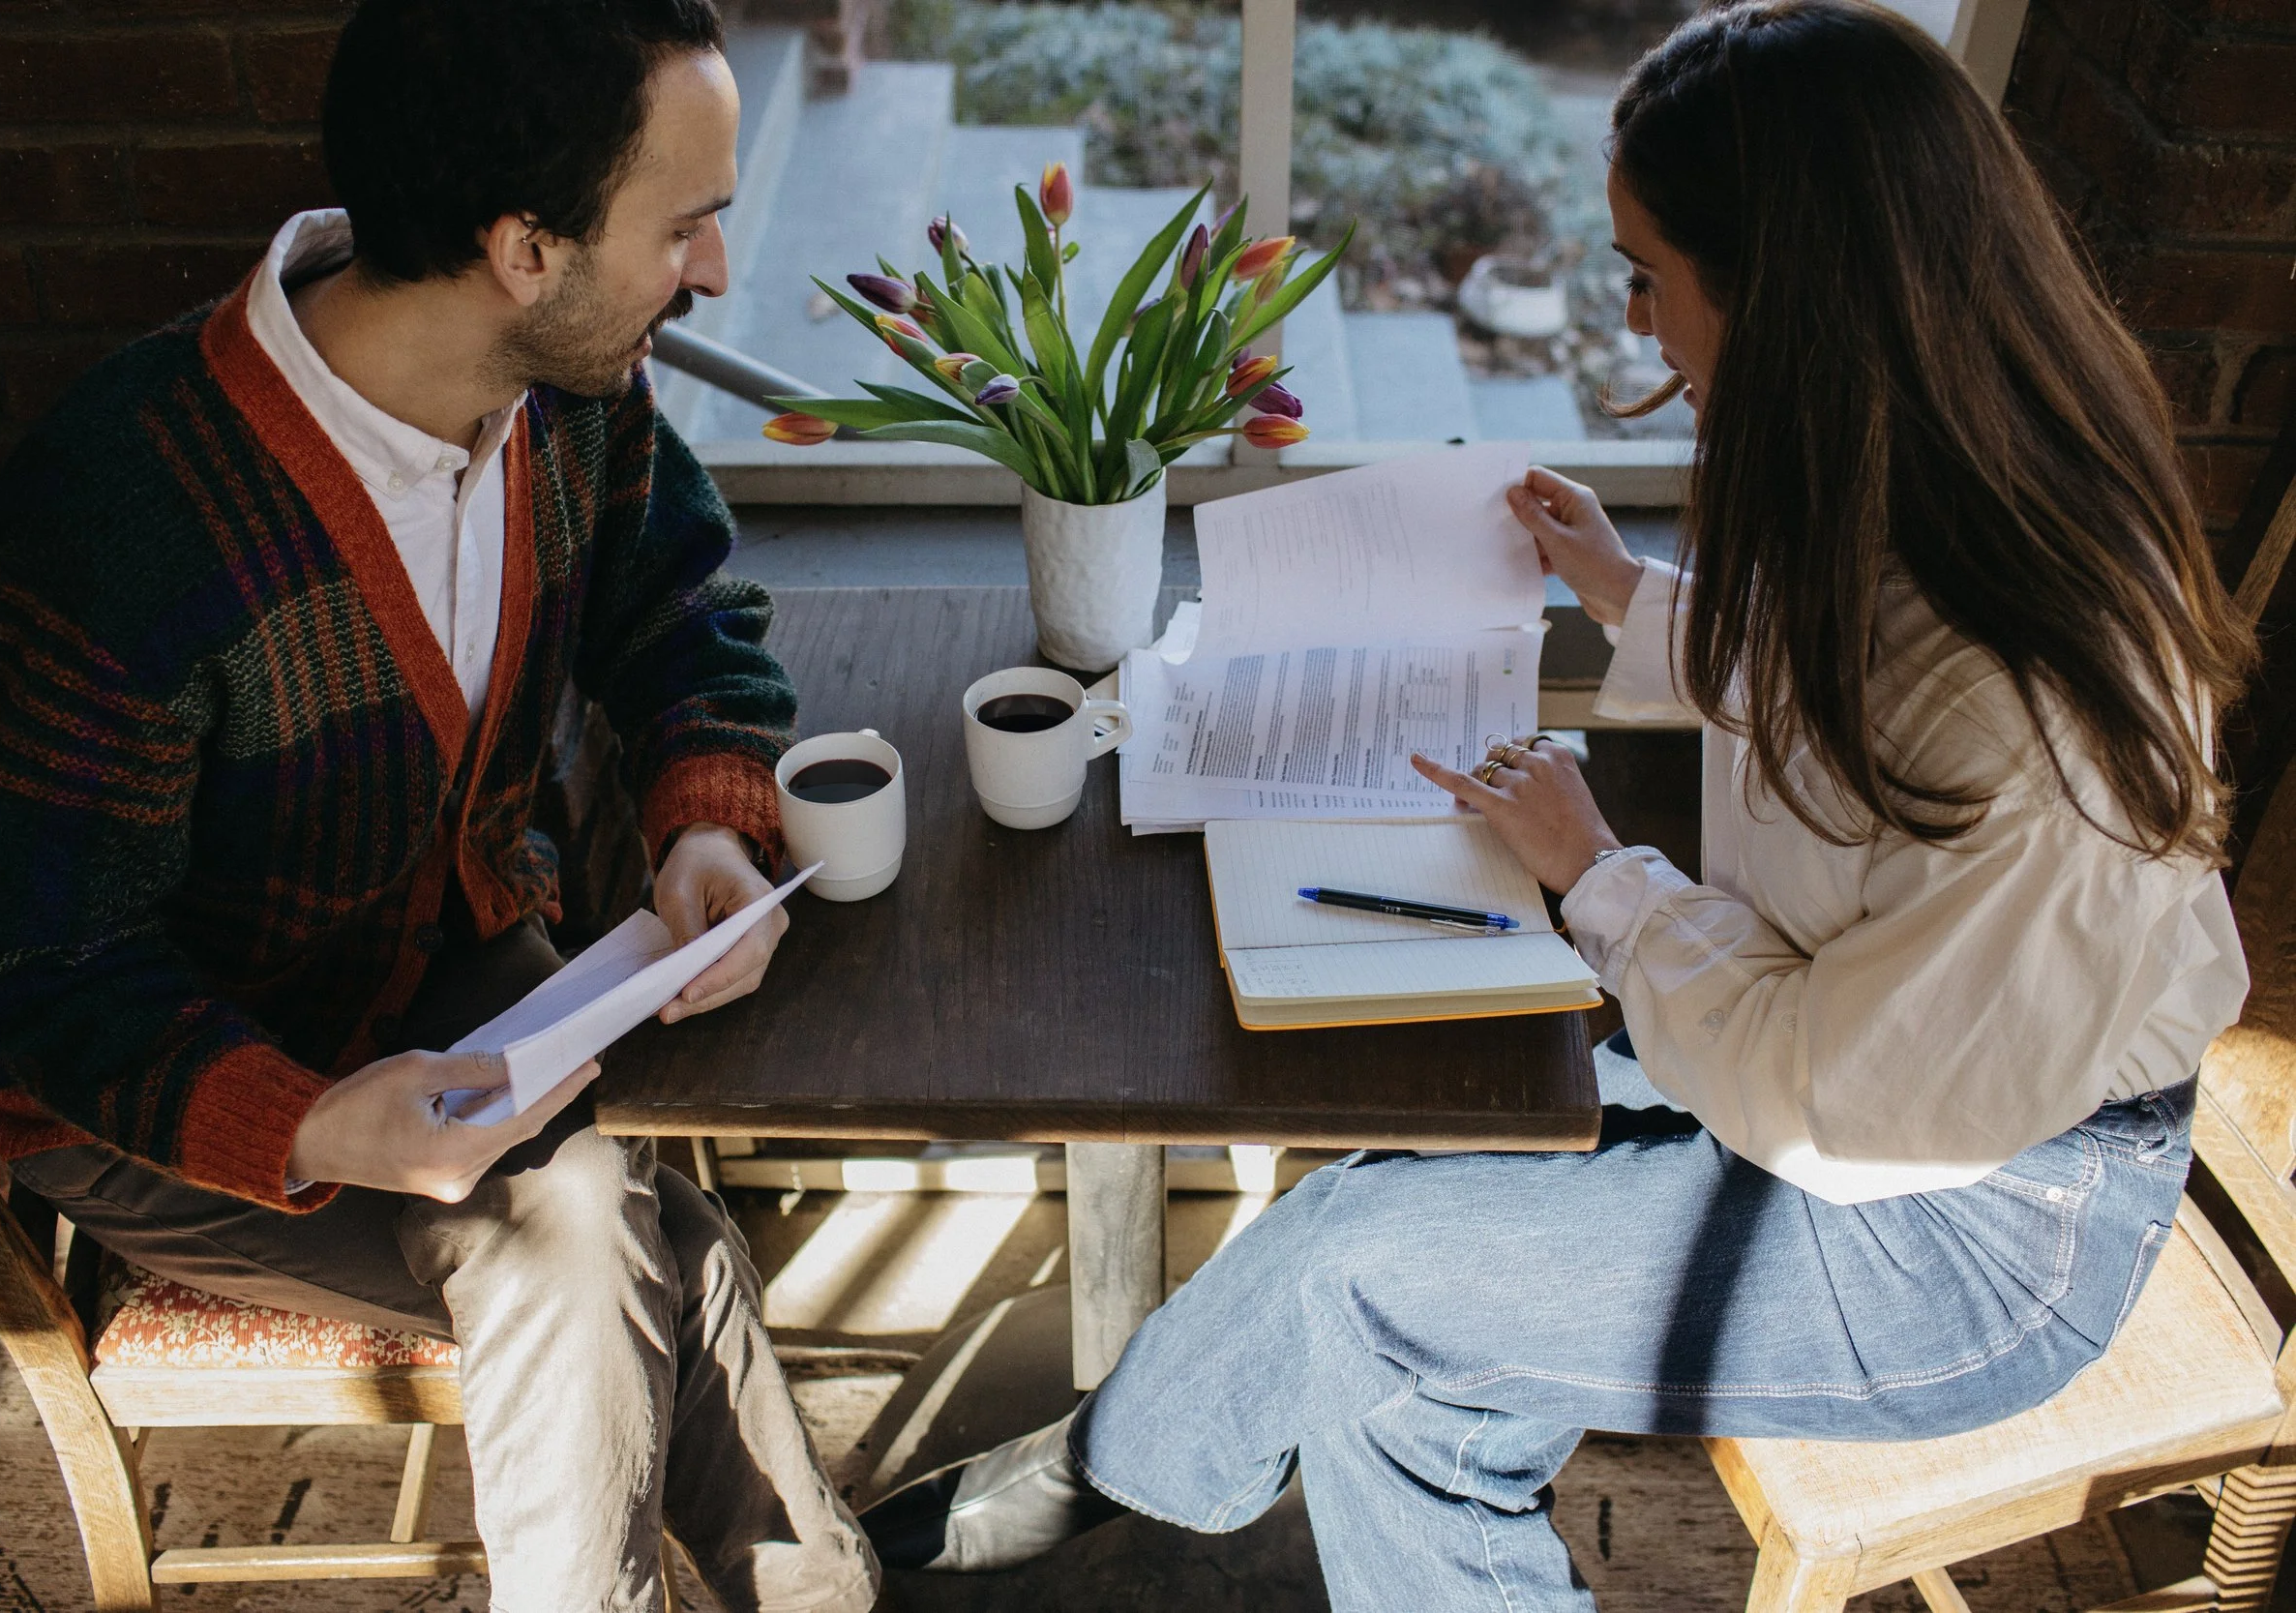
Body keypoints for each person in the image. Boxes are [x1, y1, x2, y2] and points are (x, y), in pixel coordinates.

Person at [856, 2, 2255, 1604]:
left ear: (1784, 293)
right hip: (1858, 1069)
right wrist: (1624, 588)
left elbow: (1840, 1104)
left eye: (1650, 275)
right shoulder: (1920, 471)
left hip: (1975, 1224)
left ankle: (1097, 1475)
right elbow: (1839, 695)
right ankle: (1107, 1469)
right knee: (1393, 1263)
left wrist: (1602, 874)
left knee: (1375, 1281)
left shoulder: (2039, 706)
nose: (1645, 325)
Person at [0, 2, 879, 1608]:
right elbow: (31, 965)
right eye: (687, 225)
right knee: (589, 1232)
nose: (713, 270)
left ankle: (828, 1593)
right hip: (182, 1076)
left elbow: (679, 605)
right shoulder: (129, 517)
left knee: (635, 1233)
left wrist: (705, 810)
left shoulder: (570, 388)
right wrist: (304, 1118)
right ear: (524, 249)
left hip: (465, 975)